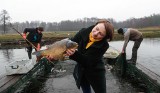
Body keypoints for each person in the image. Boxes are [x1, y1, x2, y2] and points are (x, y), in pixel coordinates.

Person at [47, 19, 114, 93]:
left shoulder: (104, 46)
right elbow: (71, 42)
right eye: (96, 29)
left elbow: (88, 62)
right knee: (86, 89)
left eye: (100, 34)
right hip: (81, 69)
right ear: (95, 25)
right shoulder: (83, 32)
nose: (95, 33)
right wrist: (54, 54)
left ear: (105, 37)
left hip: (95, 70)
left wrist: (74, 54)